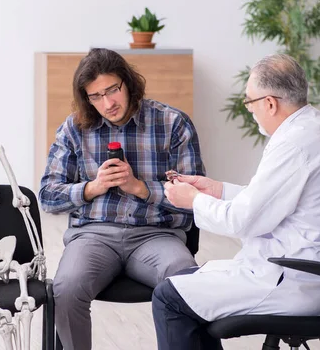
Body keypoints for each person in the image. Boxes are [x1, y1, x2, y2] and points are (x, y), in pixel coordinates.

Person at [153, 53, 320, 350]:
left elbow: (242, 220)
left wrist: (193, 200)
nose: (250, 111)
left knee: (169, 298)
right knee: (183, 282)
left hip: (294, 279)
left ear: (270, 103)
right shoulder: (313, 128)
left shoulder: (294, 144)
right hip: (296, 267)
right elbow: (272, 200)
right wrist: (217, 190)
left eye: (250, 102)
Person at [39, 48, 205, 350]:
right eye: (96, 96)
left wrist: (141, 188)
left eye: (112, 90)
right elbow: (48, 196)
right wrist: (92, 187)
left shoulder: (172, 123)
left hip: (156, 235)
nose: (107, 103)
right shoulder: (74, 128)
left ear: (128, 82)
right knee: (66, 288)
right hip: (93, 236)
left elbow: (195, 202)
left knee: (188, 281)